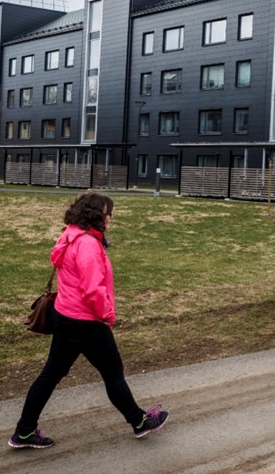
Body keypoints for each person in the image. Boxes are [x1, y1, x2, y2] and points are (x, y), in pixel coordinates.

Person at [9, 192, 168, 449]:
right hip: (86, 321)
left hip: (65, 316)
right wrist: (107, 315)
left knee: (51, 374)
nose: (111, 219)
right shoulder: (87, 245)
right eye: (109, 215)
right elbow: (92, 289)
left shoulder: (71, 235)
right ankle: (139, 422)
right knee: (113, 373)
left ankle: (24, 431)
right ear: (97, 216)